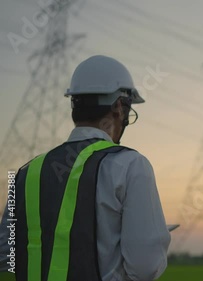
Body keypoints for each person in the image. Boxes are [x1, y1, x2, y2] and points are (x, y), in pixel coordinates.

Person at [0, 55, 170, 281]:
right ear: (119, 107)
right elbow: (145, 267)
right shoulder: (130, 166)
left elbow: (5, 256)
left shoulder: (26, 173)